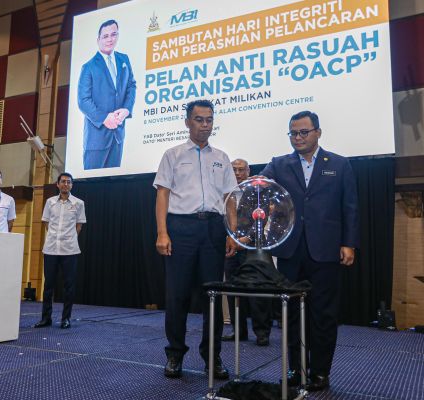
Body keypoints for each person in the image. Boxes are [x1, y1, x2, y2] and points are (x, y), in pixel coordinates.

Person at [260, 110, 359, 391]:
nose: (298, 137)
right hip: (291, 251)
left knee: (323, 314)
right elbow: (259, 186)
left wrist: (349, 243)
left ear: (318, 132)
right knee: (291, 314)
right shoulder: (279, 164)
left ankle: (320, 372)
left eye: (304, 132)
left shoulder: (339, 164)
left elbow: (350, 207)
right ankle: (296, 369)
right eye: (293, 133)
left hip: (326, 250)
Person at [154, 99, 238, 379]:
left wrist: (232, 232)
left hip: (213, 229)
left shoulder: (222, 157)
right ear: (187, 122)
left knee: (212, 297)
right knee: (177, 295)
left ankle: (212, 357)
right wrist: (162, 232)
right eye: (199, 119)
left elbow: (229, 198)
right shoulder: (173, 154)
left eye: (209, 120)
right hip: (181, 228)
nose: (205, 125)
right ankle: (175, 355)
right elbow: (162, 194)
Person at [222, 159, 272, 346]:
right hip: (231, 248)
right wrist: (230, 240)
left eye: (241, 170)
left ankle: (262, 333)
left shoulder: (258, 190)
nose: (237, 173)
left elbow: (262, 218)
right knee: (233, 290)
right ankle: (238, 331)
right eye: (234, 170)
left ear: (248, 171)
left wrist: (247, 239)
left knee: (257, 291)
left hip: (254, 247)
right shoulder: (224, 192)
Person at [78, 19, 136, 170]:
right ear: (98, 40)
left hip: (118, 136)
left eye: (113, 34)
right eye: (105, 36)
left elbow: (131, 86)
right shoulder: (88, 67)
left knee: (114, 183)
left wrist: (127, 109)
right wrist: (104, 118)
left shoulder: (124, 59)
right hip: (96, 140)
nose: (110, 39)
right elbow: (83, 101)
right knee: (93, 183)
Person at [33, 172, 86, 329]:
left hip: (69, 250)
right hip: (51, 249)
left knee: (69, 286)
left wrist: (68, 238)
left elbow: (79, 226)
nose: (65, 184)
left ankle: (66, 318)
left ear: (72, 185)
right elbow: (46, 223)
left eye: (69, 182)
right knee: (48, 286)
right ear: (57, 184)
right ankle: (46, 318)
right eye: (63, 181)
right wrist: (55, 237)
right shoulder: (50, 202)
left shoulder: (79, 203)